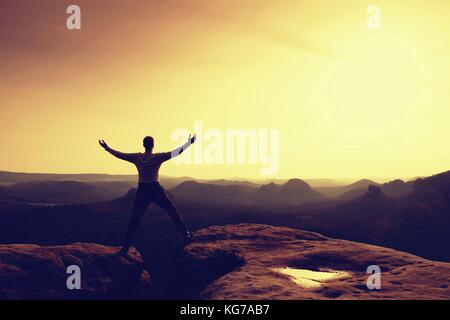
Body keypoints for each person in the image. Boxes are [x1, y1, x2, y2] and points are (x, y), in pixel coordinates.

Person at [99, 134, 196, 256]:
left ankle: (125, 248)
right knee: (173, 212)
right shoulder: (157, 158)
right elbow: (176, 153)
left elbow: (120, 155)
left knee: (134, 220)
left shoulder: (137, 157)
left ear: (143, 145)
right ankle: (185, 235)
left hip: (142, 190)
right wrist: (189, 143)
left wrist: (107, 148)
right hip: (155, 189)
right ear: (153, 145)